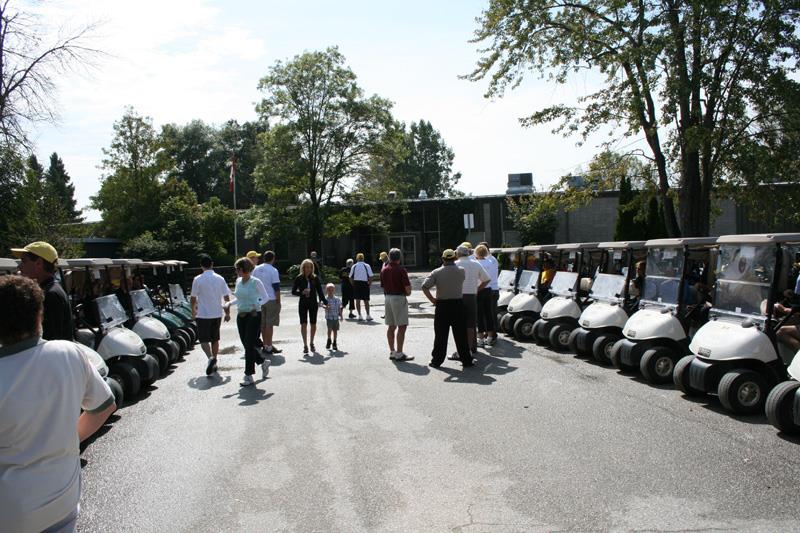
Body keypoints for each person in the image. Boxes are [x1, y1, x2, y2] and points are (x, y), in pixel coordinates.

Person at [0, 275, 116, 533]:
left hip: (11, 512)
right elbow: (105, 406)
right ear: (39, 316)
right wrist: (65, 440)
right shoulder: (69, 353)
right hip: (63, 501)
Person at [422, 249, 474, 368]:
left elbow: (424, 286)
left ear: (443, 259)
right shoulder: (461, 271)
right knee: (461, 335)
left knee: (440, 335)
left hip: (442, 305)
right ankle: (466, 360)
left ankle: (436, 360)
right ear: (455, 258)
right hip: (457, 304)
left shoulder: (436, 272)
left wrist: (432, 300)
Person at [11, 241, 73, 341]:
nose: (19, 266)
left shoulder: (50, 294)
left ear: (39, 263)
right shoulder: (49, 289)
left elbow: (50, 340)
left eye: (24, 261)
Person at [229, 257, 270, 387]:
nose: (236, 271)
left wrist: (256, 304)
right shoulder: (238, 281)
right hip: (241, 316)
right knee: (248, 345)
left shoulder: (255, 282)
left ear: (244, 269)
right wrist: (229, 303)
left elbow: (265, 298)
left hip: (253, 315)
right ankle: (263, 362)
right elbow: (239, 298)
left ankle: (248, 375)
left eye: (238, 269)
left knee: (248, 345)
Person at [191, 254, 231, 376]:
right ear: (212, 264)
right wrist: (227, 313)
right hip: (217, 313)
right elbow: (226, 297)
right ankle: (215, 360)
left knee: (203, 340)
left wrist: (193, 311)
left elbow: (193, 298)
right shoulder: (220, 278)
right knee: (215, 338)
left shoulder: (198, 279)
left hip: (203, 314)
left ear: (201, 266)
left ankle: (210, 358)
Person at [454, 245, 490, 356]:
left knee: (459, 325)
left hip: (458, 296)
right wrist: (477, 289)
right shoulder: (476, 264)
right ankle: (469, 349)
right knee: (471, 324)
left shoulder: (455, 264)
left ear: (458, 254)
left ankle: (461, 350)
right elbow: (487, 279)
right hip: (472, 296)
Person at [381, 248, 413, 361]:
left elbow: (383, 286)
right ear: (400, 257)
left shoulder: (384, 269)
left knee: (391, 326)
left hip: (388, 298)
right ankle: (399, 353)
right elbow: (408, 288)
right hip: (398, 297)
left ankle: (392, 351)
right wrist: (408, 293)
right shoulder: (401, 269)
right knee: (402, 326)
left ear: (389, 257)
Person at [292, 259, 328, 353]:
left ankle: (311, 342)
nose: (308, 269)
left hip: (313, 303)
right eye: (306, 267)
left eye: (310, 267)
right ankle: (305, 345)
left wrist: (326, 302)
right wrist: (302, 292)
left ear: (312, 268)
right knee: (303, 324)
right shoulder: (299, 278)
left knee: (313, 323)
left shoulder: (315, 278)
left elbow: (320, 292)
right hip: (303, 303)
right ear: (303, 268)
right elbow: (293, 291)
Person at [252, 250, 283, 356]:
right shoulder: (273, 270)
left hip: (259, 299)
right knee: (269, 324)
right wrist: (279, 301)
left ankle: (265, 345)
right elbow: (276, 287)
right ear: (273, 258)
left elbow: (253, 284)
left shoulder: (256, 269)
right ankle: (269, 346)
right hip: (271, 299)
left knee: (263, 324)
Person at [475, 244, 499, 347]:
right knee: (489, 314)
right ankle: (490, 337)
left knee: (479, 315)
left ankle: (480, 338)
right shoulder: (491, 262)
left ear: (476, 253)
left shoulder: (476, 263)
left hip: (479, 289)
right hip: (489, 289)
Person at [349, 252, 374, 321]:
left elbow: (350, 277)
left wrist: (353, 284)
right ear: (363, 258)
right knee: (366, 300)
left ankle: (360, 315)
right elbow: (371, 276)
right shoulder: (367, 265)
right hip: (365, 283)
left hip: (356, 283)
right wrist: (369, 283)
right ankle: (368, 315)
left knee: (357, 300)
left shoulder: (354, 266)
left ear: (357, 258)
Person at [323, 283, 343, 351]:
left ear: (334, 290)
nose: (330, 291)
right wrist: (325, 307)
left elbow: (339, 307)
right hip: (329, 317)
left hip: (336, 317)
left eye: (332, 290)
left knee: (335, 330)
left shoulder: (337, 299)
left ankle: (334, 342)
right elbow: (322, 304)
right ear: (326, 290)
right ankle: (329, 339)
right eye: (329, 290)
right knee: (329, 329)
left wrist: (341, 315)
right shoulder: (325, 299)